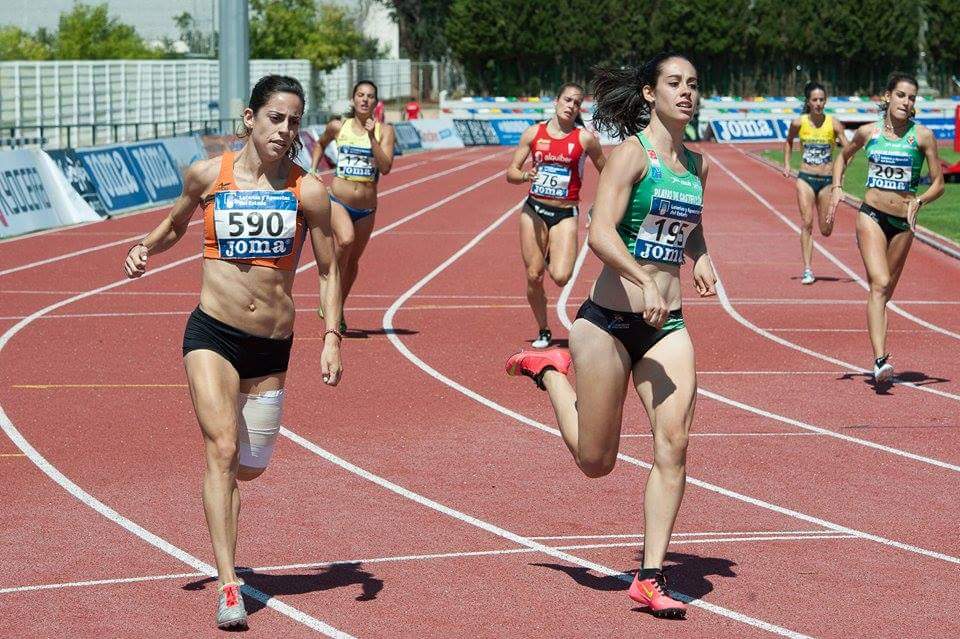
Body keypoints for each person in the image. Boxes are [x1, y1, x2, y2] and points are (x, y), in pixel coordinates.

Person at [123, 75, 343, 629]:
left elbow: (329, 268)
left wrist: (332, 336)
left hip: (271, 344)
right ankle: (228, 584)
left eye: (294, 121)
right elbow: (175, 223)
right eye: (275, 117)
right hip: (212, 333)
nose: (284, 130)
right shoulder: (208, 175)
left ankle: (228, 533)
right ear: (250, 118)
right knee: (220, 448)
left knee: (251, 466)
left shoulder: (308, 191)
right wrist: (144, 247)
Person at [506, 53, 716, 619]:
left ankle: (649, 576)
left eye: (693, 85)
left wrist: (700, 256)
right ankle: (549, 372)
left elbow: (690, 224)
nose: (686, 92)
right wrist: (641, 279)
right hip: (608, 324)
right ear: (650, 93)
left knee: (674, 444)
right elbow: (600, 233)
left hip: (666, 326)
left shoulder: (697, 166)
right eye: (674, 83)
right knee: (596, 462)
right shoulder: (630, 156)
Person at [830, 73, 945, 383]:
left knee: (884, 294)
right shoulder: (868, 132)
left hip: (903, 224)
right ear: (888, 96)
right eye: (901, 95)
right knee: (879, 283)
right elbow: (842, 157)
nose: (906, 102)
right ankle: (881, 360)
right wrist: (837, 186)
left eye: (911, 97)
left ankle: (879, 358)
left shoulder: (922, 137)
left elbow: (939, 183)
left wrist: (919, 200)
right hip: (871, 215)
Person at [506, 83, 605, 348]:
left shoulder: (584, 139)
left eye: (577, 103)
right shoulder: (534, 133)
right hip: (534, 211)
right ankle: (543, 329)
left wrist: (600, 205)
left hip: (565, 213)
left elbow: (608, 172)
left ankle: (550, 252)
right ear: (556, 101)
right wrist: (525, 175)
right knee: (534, 275)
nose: (571, 106)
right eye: (567, 100)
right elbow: (511, 173)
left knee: (561, 277)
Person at [311, 81, 396, 333]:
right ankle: (328, 290)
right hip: (339, 200)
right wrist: (313, 169)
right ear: (353, 99)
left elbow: (386, 167)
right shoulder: (339, 126)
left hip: (367, 208)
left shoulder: (384, 131)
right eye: (360, 95)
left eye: (370, 96)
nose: (365, 99)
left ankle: (337, 308)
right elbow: (320, 143)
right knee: (345, 241)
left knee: (352, 262)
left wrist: (371, 138)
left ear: (375, 102)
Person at [783, 81, 848, 284]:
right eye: (815, 100)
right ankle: (808, 269)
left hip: (827, 180)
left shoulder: (834, 124)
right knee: (807, 222)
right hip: (805, 178)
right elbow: (788, 141)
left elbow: (849, 149)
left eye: (821, 100)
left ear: (825, 101)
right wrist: (787, 164)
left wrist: (840, 173)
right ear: (808, 102)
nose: (818, 103)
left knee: (825, 229)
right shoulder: (798, 123)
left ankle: (827, 219)